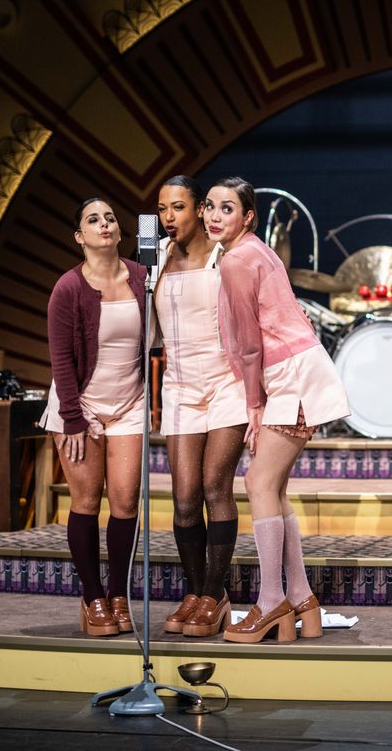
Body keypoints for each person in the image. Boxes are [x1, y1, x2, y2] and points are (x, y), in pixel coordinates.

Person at [208, 176, 350, 644]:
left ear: (248, 216)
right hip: (294, 367)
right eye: (209, 206)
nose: (214, 216)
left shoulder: (237, 259)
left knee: (258, 482)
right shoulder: (254, 250)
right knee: (274, 487)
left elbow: (250, 345)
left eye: (227, 208)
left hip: (289, 372)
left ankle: (271, 603)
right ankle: (302, 599)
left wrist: (254, 405)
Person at [41, 198, 148, 638]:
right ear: (79, 237)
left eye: (110, 218)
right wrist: (72, 418)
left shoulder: (142, 277)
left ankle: (118, 593)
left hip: (130, 404)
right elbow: (61, 358)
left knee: (125, 501)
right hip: (79, 405)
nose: (104, 224)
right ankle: (92, 597)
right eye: (93, 220)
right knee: (86, 501)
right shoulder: (68, 287)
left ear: (119, 231)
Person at [155, 175, 247, 638]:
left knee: (215, 486)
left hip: (227, 382)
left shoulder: (225, 254)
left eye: (178, 207)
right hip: (179, 386)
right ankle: (193, 592)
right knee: (185, 497)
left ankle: (215, 593)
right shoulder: (155, 258)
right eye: (162, 209)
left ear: (198, 210)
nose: (169, 217)